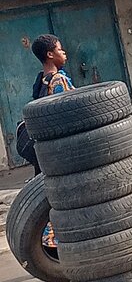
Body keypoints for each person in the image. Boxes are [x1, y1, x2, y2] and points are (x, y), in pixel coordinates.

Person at [26, 34, 75, 252]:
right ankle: (52, 241)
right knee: (65, 196)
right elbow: (69, 116)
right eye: (60, 49)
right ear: (50, 54)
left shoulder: (41, 80)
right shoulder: (59, 81)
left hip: (44, 150)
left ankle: (49, 240)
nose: (64, 53)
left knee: (53, 194)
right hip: (60, 152)